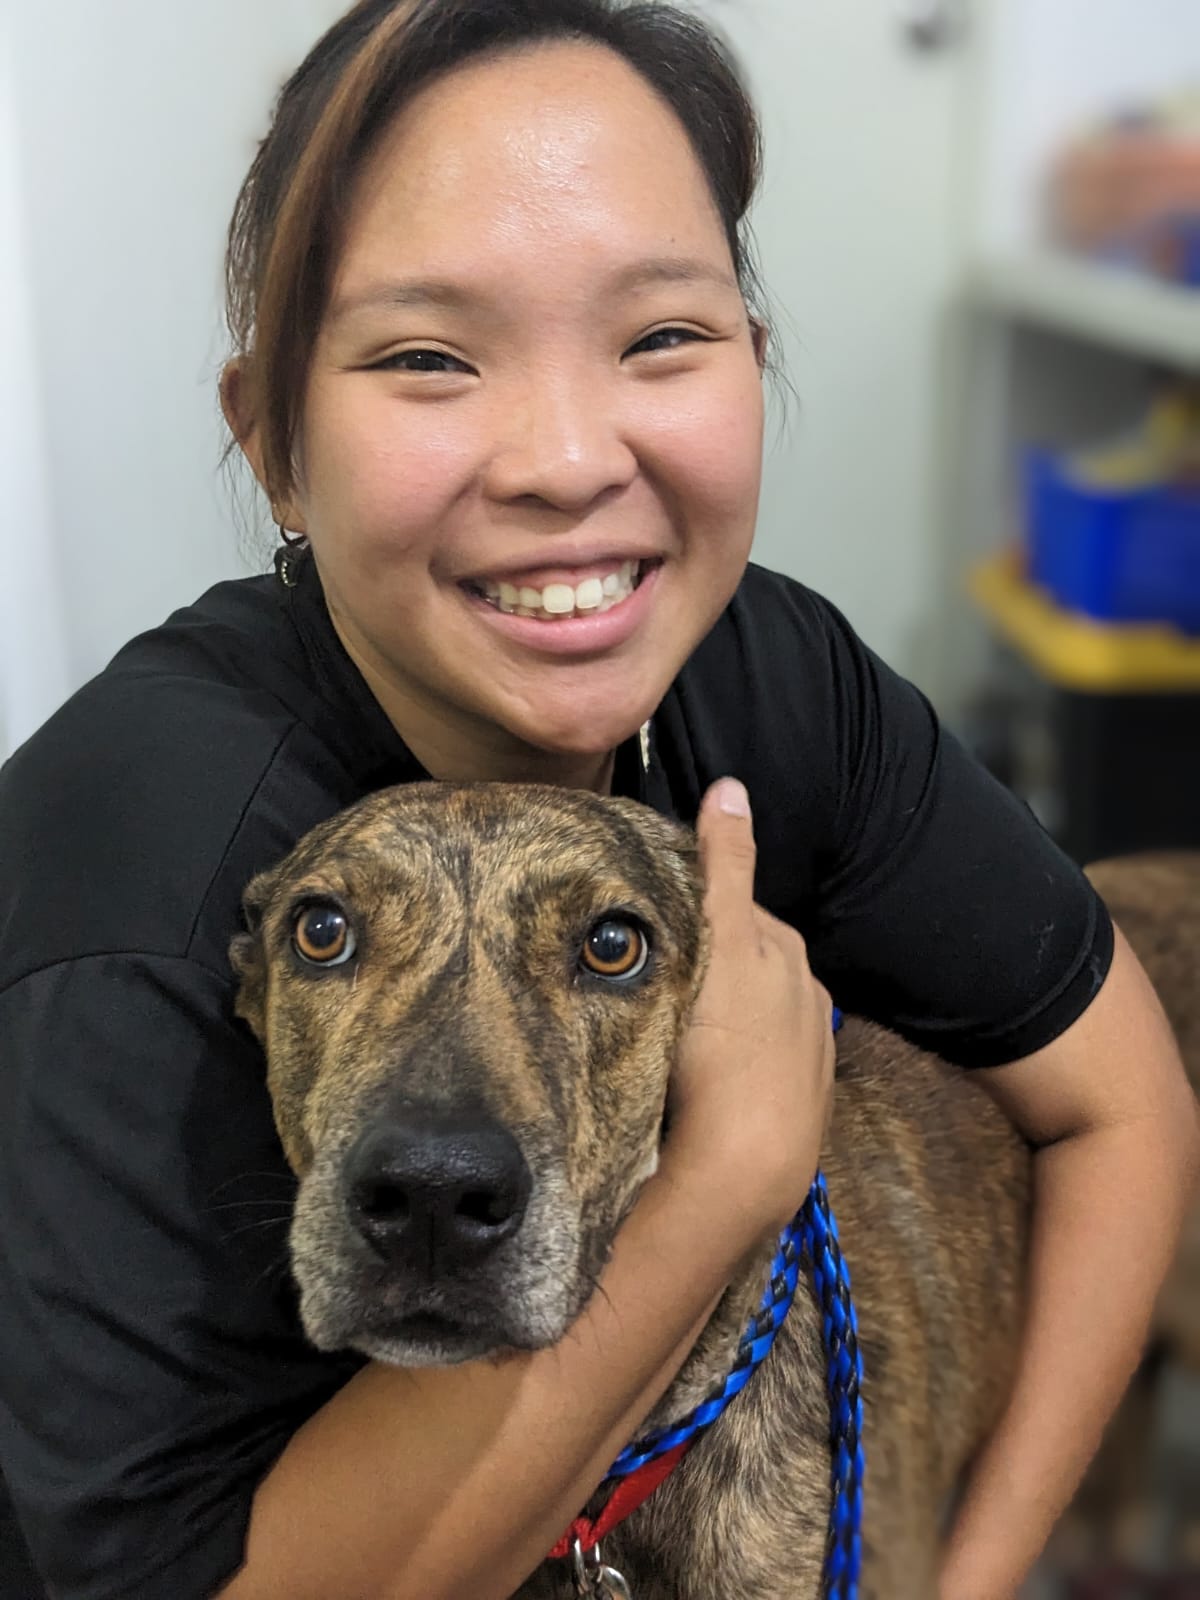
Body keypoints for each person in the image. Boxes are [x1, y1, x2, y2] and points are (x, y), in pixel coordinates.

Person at [0, 2, 1195, 1597]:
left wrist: (975, 1581)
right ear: (275, 442)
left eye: (660, 337)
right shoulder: (133, 888)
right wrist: (723, 1182)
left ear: (753, 372)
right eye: (429, 355)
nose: (566, 461)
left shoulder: (760, 667)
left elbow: (1122, 1100)